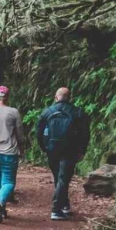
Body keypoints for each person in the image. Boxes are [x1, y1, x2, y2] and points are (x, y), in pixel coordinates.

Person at [35, 86, 91, 220]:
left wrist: (44, 147)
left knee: (59, 178)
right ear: (70, 98)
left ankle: (64, 205)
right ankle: (56, 209)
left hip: (52, 149)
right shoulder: (77, 112)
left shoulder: (47, 112)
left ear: (56, 97)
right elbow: (85, 134)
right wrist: (82, 150)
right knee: (63, 178)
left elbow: (38, 132)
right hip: (70, 150)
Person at [0, 85, 23, 221]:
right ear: (7, 97)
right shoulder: (13, 112)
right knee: (8, 181)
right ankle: (0, 202)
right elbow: (19, 134)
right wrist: (22, 150)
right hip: (9, 151)